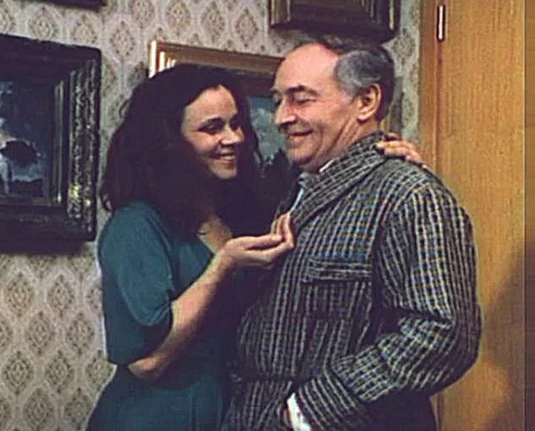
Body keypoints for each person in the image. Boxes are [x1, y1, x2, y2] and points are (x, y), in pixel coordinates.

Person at [86, 63, 423, 431]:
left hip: (231, 409)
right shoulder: (136, 225)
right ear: (169, 142)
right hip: (158, 416)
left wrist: (382, 160)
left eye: (236, 124)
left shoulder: (246, 212)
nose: (233, 138)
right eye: (212, 128)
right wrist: (221, 267)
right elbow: (146, 363)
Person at [222, 37, 481, 431]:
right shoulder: (298, 187)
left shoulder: (409, 194)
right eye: (278, 101)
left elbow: (443, 335)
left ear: (366, 102)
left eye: (301, 99)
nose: (281, 117)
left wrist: (308, 410)